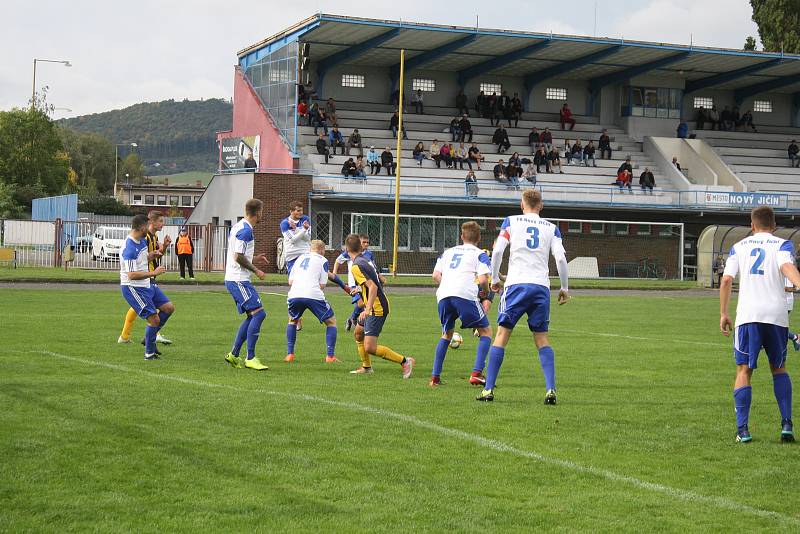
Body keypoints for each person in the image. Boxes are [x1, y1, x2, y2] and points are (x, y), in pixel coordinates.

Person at [478, 189, 569, 402]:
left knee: (501, 336)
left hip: (516, 285)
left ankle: (488, 390)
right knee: (542, 339)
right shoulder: (552, 228)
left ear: (522, 204)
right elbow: (561, 259)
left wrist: (494, 278)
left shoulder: (511, 222)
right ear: (541, 205)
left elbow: (499, 250)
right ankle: (550, 389)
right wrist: (564, 288)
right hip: (540, 287)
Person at [719, 205, 800, 443]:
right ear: (774, 226)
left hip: (748, 315)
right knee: (779, 368)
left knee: (744, 370)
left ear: (752, 225)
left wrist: (723, 313)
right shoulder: (783, 245)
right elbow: (787, 267)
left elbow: (726, 280)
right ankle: (786, 424)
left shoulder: (739, 247)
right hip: (776, 316)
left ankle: (743, 430)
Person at [430, 221, 493, 387]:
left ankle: (435, 378)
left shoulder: (448, 252)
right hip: (464, 295)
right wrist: (485, 293)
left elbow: (435, 275)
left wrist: (448, 284)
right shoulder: (480, 254)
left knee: (446, 334)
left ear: (461, 236)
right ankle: (477, 373)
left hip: (443, 295)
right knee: (485, 332)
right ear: (479, 238)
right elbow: (483, 279)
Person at [345, 233, 415, 377]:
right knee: (358, 334)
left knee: (370, 347)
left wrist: (368, 309)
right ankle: (366, 367)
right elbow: (375, 282)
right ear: (360, 247)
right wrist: (358, 289)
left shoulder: (356, 266)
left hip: (376, 308)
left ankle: (404, 361)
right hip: (373, 306)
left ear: (346, 249)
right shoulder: (365, 260)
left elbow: (373, 287)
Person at [119, 214, 174, 361]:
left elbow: (143, 259)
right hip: (133, 287)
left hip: (146, 283)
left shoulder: (142, 240)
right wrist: (153, 273)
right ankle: (149, 353)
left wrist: (153, 254)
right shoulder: (129, 247)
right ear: (142, 227)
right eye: (147, 226)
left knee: (168, 308)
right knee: (154, 320)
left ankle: (149, 337)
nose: (148, 228)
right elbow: (131, 274)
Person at [223, 198, 270, 371]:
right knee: (259, 314)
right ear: (258, 212)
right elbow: (238, 257)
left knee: (252, 316)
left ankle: (234, 355)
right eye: (262, 212)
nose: (262, 215)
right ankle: (250, 357)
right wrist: (256, 269)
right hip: (238, 279)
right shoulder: (246, 231)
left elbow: (239, 254)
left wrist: (254, 258)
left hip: (235, 278)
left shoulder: (238, 226)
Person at [285, 240, 341, 364]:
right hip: (313, 294)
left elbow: (290, 282)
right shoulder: (323, 260)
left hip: (294, 294)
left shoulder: (299, 259)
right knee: (331, 322)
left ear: (310, 249)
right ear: (322, 250)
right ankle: (330, 357)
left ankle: (290, 355)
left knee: (292, 320)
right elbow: (322, 285)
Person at [332, 233, 384, 332]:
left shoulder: (369, 254)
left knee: (363, 303)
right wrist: (335, 273)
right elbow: (338, 261)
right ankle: (355, 319)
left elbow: (373, 267)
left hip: (365, 283)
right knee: (361, 304)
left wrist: (379, 275)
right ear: (358, 243)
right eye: (364, 242)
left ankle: (354, 320)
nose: (366, 244)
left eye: (367, 242)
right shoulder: (349, 253)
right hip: (354, 284)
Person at [280, 201, 311, 275]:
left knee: (305, 277)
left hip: (305, 252)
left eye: (302, 210)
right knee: (292, 280)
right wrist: (303, 229)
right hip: (292, 254)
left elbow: (307, 238)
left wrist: (297, 229)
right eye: (298, 211)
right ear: (291, 211)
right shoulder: (285, 223)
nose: (301, 212)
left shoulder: (305, 219)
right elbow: (292, 240)